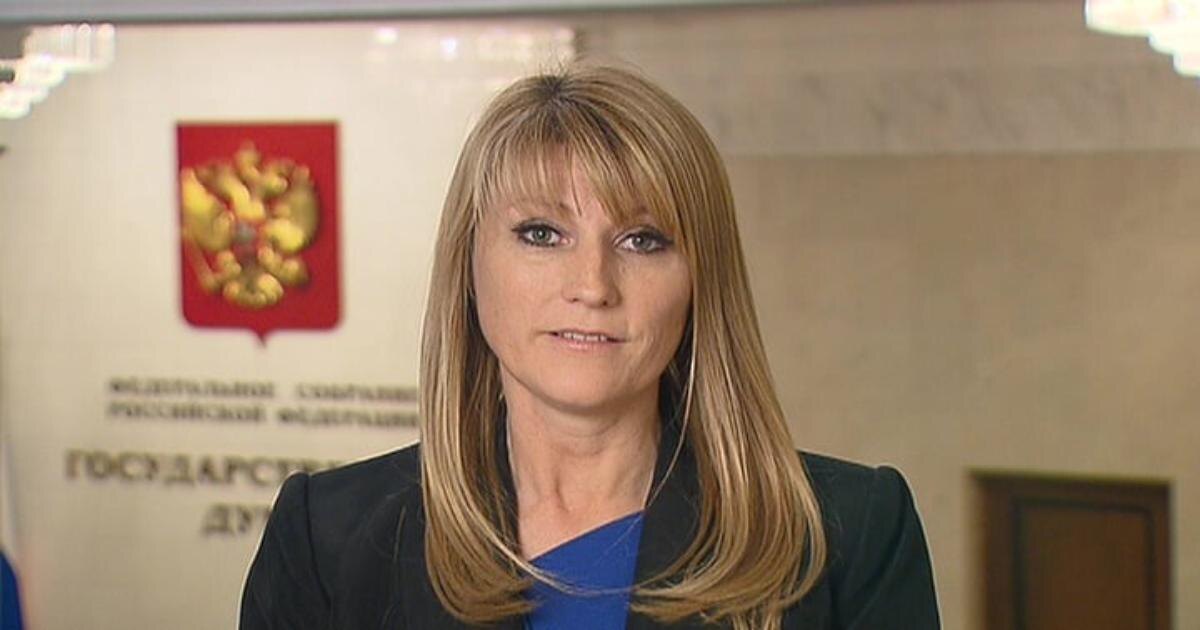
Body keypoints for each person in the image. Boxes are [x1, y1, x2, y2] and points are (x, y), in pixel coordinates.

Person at [240, 63, 939, 630]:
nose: (593, 285)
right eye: (542, 234)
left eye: (643, 240)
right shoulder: (327, 536)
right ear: (469, 265)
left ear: (699, 281)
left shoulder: (847, 534)